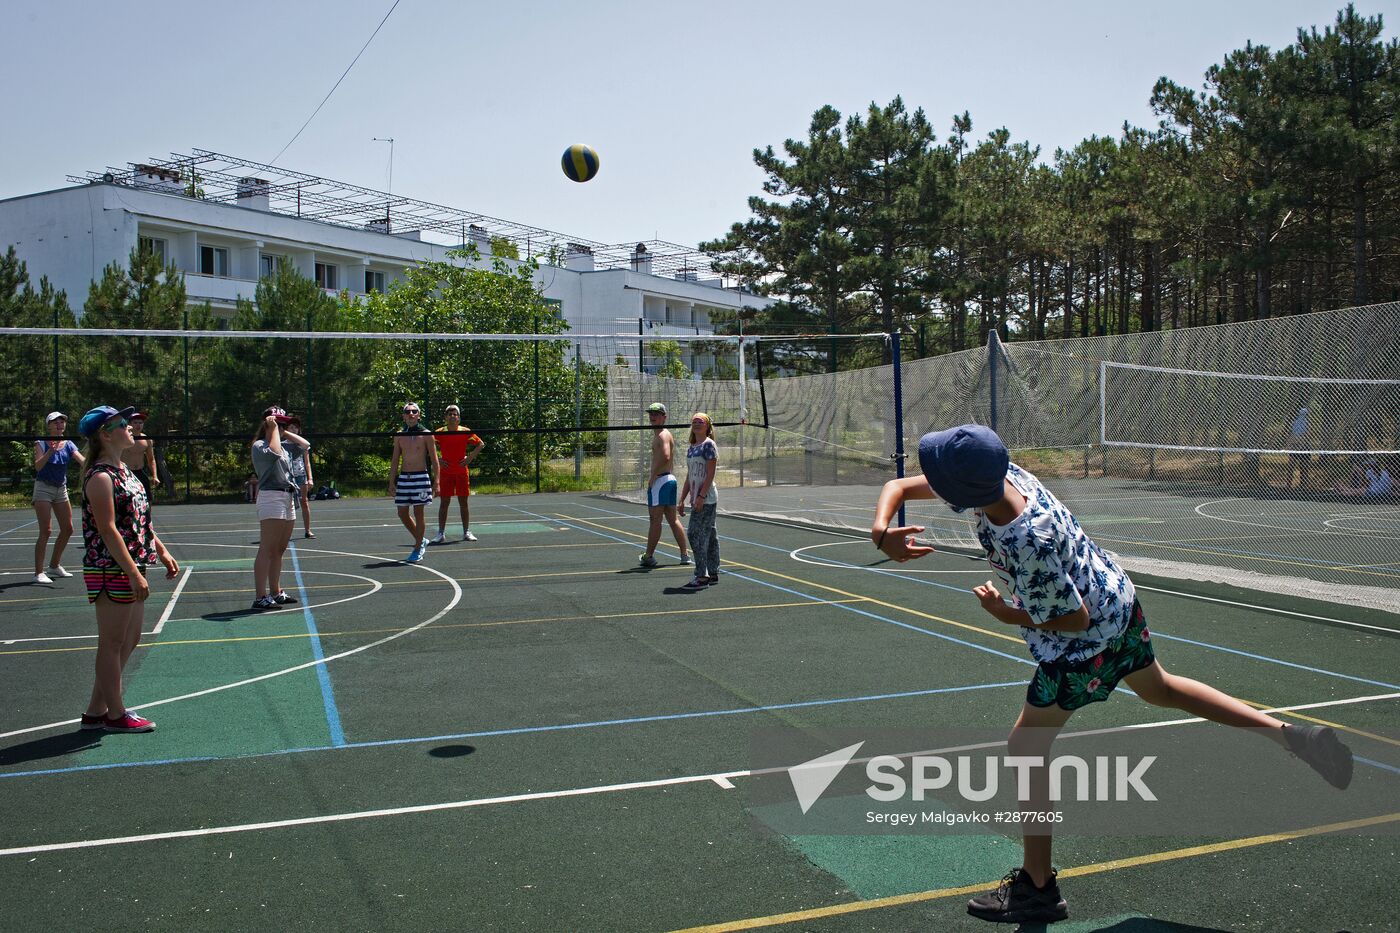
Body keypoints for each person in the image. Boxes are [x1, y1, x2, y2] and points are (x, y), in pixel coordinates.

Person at [869, 424, 1354, 924]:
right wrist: (881, 530)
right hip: (1117, 602)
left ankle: (1037, 887)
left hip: (1083, 644)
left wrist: (1009, 614)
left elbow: (1071, 619)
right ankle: (1291, 735)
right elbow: (898, 487)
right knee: (1162, 689)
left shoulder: (1022, 538)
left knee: (1026, 748)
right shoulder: (1006, 475)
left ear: (958, 490)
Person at [76, 405, 178, 733]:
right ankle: (116, 714)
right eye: (123, 424)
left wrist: (159, 551)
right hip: (110, 568)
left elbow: (139, 521)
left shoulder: (127, 473)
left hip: (133, 564)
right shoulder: (101, 477)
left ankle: (95, 710)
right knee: (112, 642)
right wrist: (133, 572)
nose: (131, 428)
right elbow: (108, 529)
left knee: (130, 638)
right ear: (106, 434)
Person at [250, 406, 309, 611]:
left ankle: (276, 592)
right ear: (267, 423)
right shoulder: (260, 446)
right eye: (279, 423)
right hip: (271, 496)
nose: (282, 427)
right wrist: (273, 428)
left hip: (287, 496)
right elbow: (274, 452)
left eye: (284, 423)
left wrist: (284, 431)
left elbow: (305, 444)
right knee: (266, 548)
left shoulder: (284, 445)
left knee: (279, 549)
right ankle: (260, 596)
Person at [32, 411, 85, 585]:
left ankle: (54, 566)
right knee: (46, 531)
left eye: (62, 422)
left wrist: (101, 459)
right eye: (55, 422)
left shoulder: (68, 444)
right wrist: (50, 451)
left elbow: (82, 461)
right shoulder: (40, 443)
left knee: (68, 528)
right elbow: (38, 467)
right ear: (48, 426)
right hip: (43, 488)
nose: (59, 425)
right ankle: (38, 573)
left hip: (60, 488)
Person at [638, 402, 690, 568]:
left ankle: (649, 556)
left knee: (655, 520)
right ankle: (684, 555)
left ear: (664, 417)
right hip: (668, 480)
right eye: (651, 413)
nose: (653, 416)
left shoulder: (662, 435)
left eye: (657, 414)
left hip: (661, 481)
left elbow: (666, 456)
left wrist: (653, 475)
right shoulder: (661, 434)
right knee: (672, 519)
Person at [390, 401, 439, 563]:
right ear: (403, 416)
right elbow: (395, 459)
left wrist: (436, 482)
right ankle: (421, 538)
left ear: (419, 415)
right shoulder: (399, 435)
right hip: (404, 478)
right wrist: (392, 482)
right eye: (407, 412)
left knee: (419, 513)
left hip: (421, 478)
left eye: (414, 412)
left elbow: (434, 458)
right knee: (402, 512)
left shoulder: (426, 434)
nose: (411, 414)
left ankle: (418, 548)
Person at [429, 404, 484, 544]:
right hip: (446, 473)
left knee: (463, 502)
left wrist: (469, 458)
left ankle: (466, 532)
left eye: (455, 414)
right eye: (450, 414)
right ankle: (441, 533)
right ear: (445, 417)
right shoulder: (440, 432)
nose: (452, 416)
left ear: (459, 418)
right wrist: (438, 459)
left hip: (461, 471)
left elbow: (480, 444)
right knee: (444, 502)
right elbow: (427, 445)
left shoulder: (465, 431)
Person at [678, 412, 719, 590]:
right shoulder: (692, 447)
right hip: (696, 498)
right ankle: (713, 571)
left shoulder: (709, 445)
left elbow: (710, 474)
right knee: (710, 534)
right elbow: (689, 475)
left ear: (708, 427)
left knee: (694, 533)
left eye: (700, 421)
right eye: (694, 421)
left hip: (707, 498)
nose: (696, 424)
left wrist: (701, 496)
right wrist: (682, 498)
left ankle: (702, 575)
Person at [284, 415, 316, 539]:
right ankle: (284, 531)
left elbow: (307, 462)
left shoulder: (303, 444)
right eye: (291, 427)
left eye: (296, 427)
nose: (293, 429)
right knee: (287, 503)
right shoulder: (282, 444)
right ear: (286, 429)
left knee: (304, 502)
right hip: (287, 477)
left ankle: (308, 530)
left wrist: (310, 478)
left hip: (301, 475)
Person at [120, 411, 160, 500]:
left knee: (147, 498)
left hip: (139, 472)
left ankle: (147, 514)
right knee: (126, 500)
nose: (138, 425)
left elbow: (151, 459)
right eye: (135, 422)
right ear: (129, 424)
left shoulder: (147, 439)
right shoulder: (122, 438)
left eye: (141, 423)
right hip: (125, 473)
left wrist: (155, 476)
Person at [1286, 405, 1310, 489]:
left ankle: (1302, 485)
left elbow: (1306, 436)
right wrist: (1291, 445)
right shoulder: (1296, 423)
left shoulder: (1305, 423)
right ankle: (1291, 485)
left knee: (1303, 467)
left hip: (1302, 447)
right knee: (1299, 467)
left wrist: (1291, 445)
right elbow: (1293, 435)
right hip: (1299, 447)